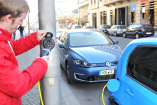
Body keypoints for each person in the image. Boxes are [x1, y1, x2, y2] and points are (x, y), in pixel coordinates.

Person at [0, 0, 49, 105]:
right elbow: (18, 86)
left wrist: (34, 38)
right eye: (21, 19)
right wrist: (41, 63)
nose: (22, 23)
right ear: (8, 18)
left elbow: (13, 47)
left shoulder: (3, 38)